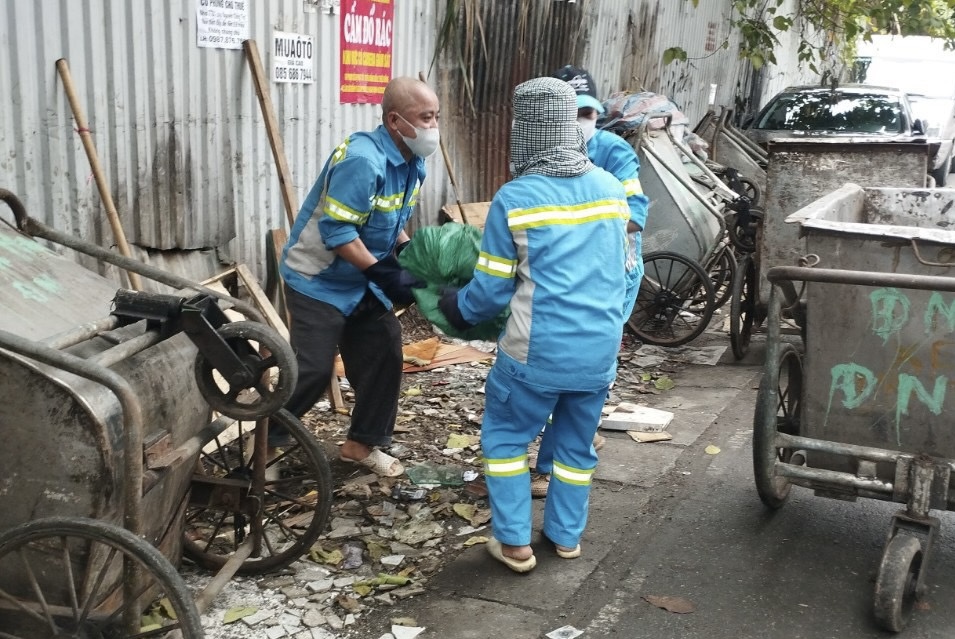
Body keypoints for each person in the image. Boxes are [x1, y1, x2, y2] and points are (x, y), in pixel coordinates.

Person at [438, 76, 630, 572]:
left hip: (535, 355)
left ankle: (515, 543)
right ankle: (566, 537)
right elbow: (627, 270)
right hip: (599, 353)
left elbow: (490, 292)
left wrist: (454, 305)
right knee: (573, 448)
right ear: (570, 127)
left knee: (504, 440)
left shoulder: (516, 198)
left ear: (524, 132)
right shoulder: (611, 190)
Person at [276, 76, 439, 477]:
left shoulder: (413, 162)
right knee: (313, 369)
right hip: (320, 278)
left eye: (436, 116)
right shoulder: (362, 161)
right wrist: (383, 272)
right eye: (426, 117)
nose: (433, 126)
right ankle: (265, 445)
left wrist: (405, 250)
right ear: (395, 120)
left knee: (384, 350)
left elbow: (390, 217)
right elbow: (338, 232)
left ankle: (360, 445)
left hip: (360, 279)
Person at [528, 66, 651, 497]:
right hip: (565, 278)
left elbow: (634, 213)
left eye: (588, 112)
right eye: (572, 113)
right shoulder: (537, 157)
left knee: (576, 368)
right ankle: (578, 435)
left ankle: (549, 466)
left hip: (611, 276)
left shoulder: (614, 153)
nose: (581, 122)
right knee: (565, 368)